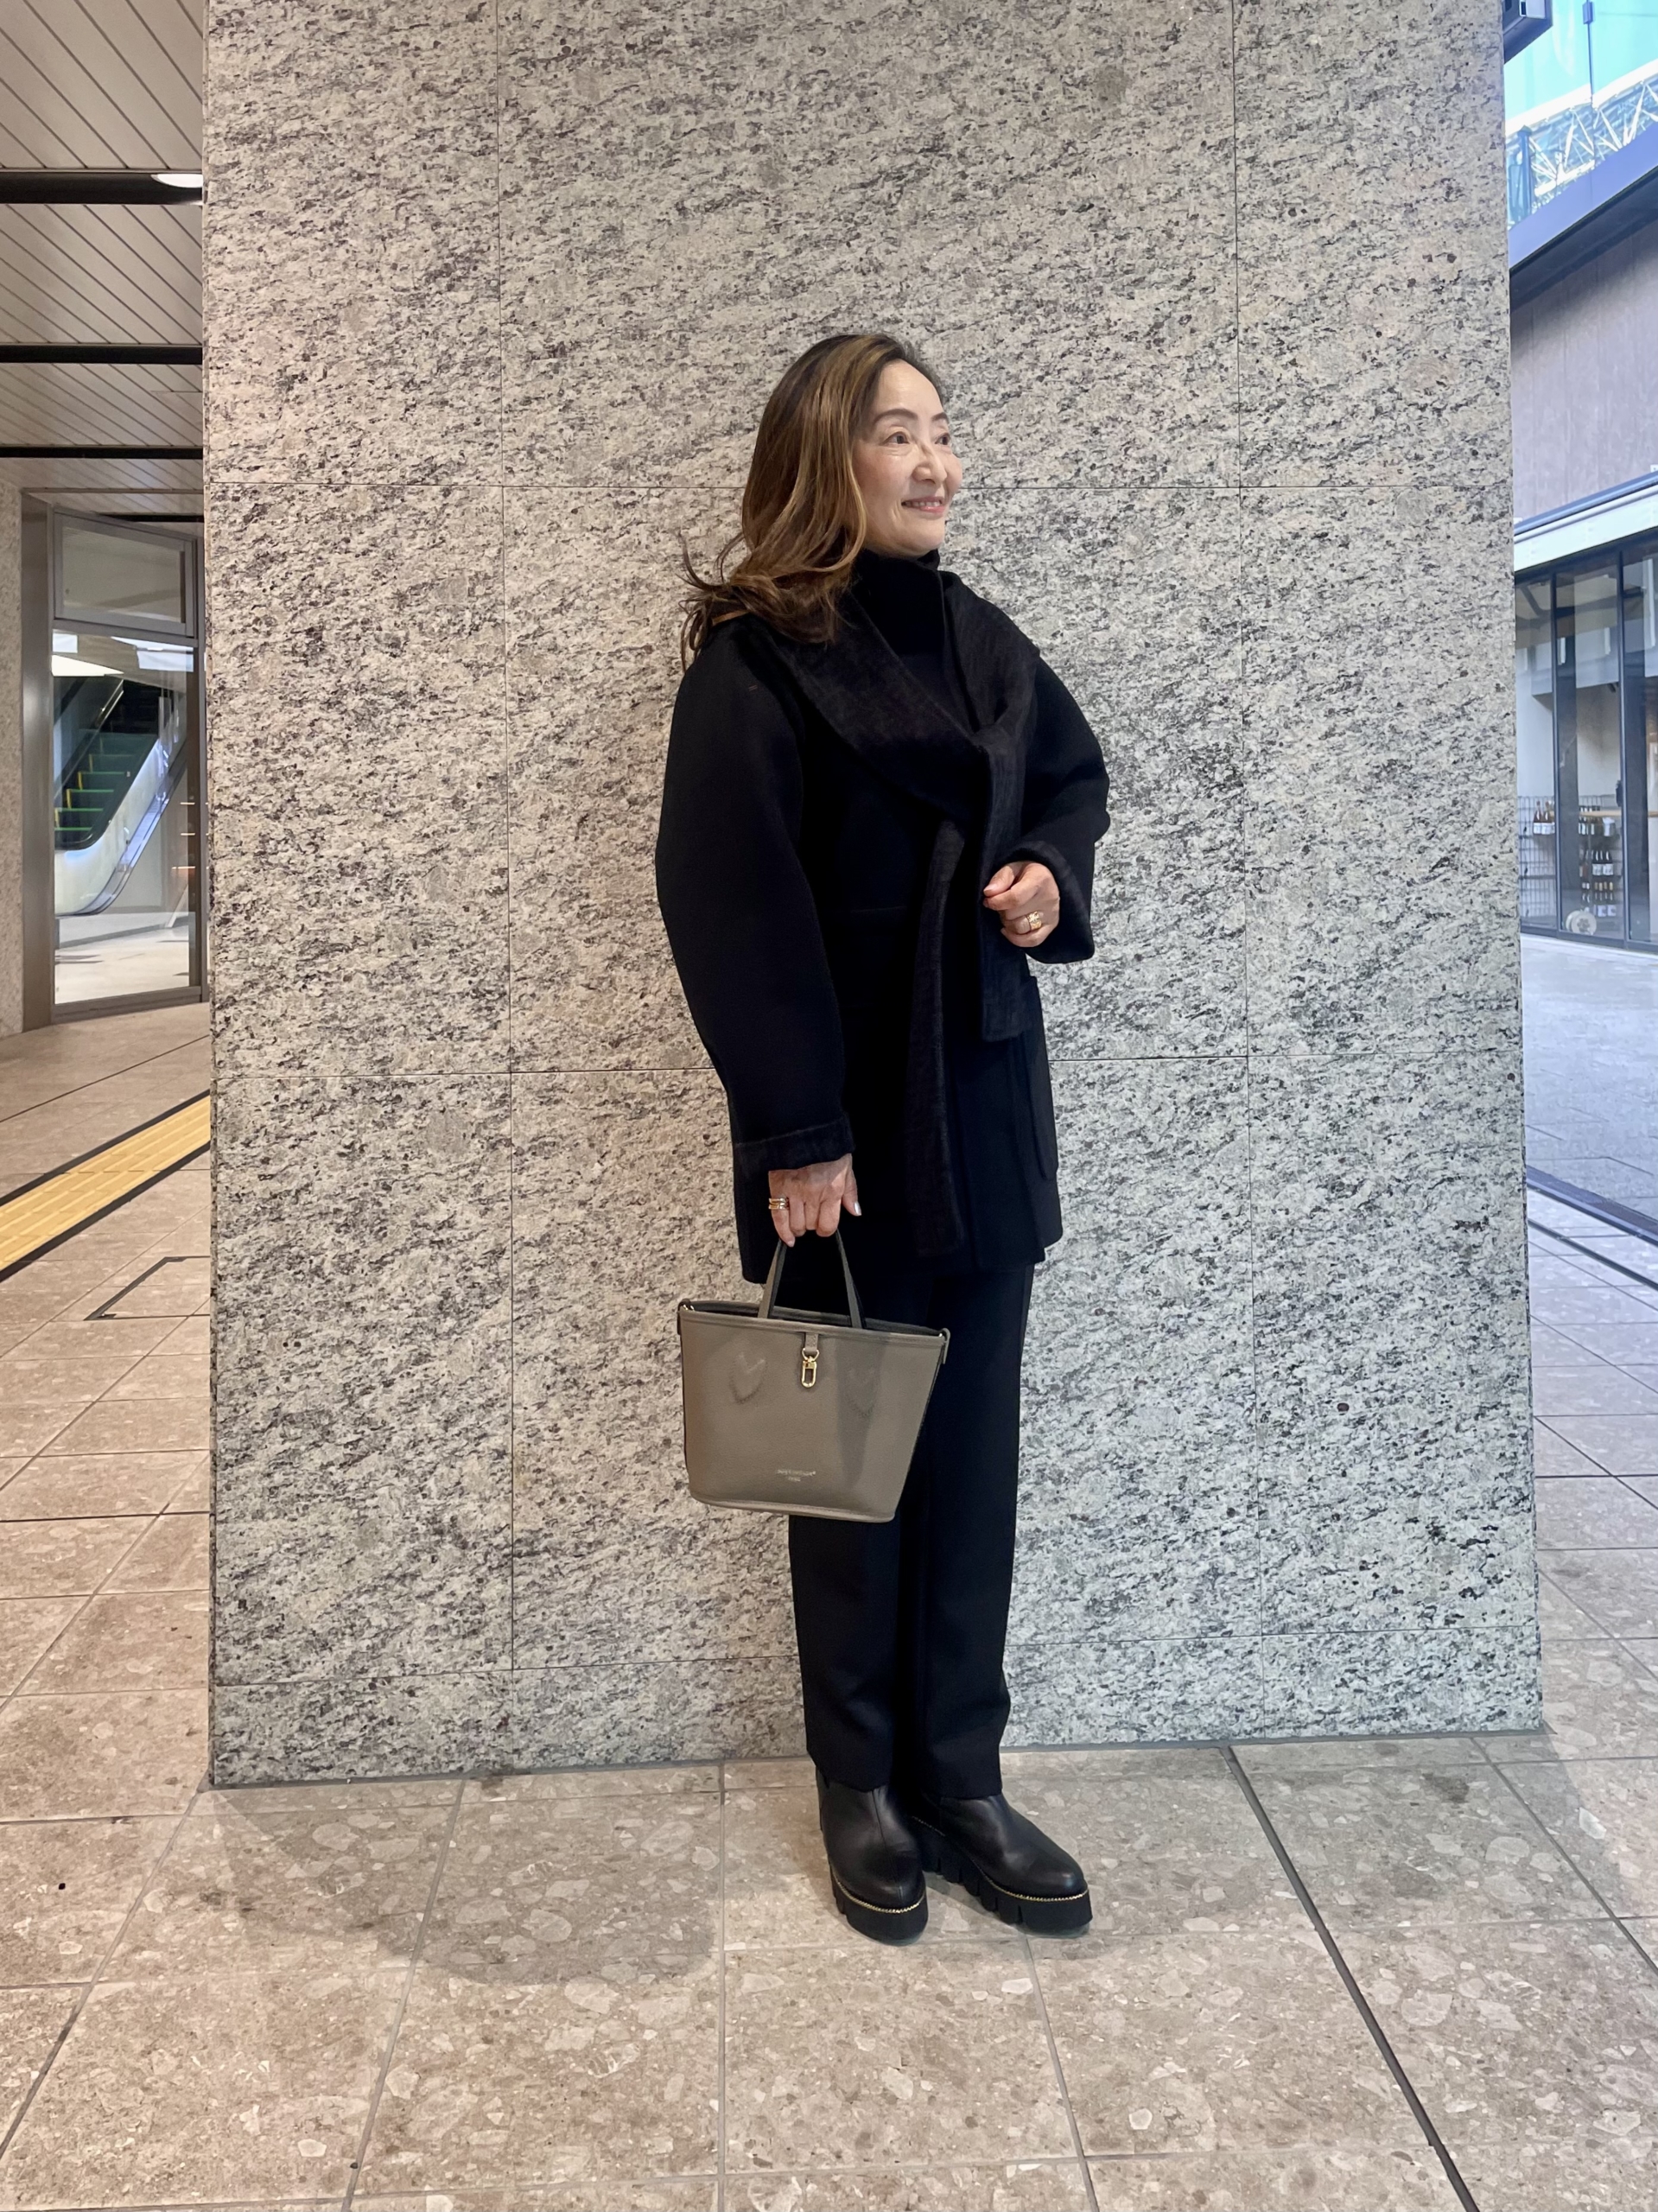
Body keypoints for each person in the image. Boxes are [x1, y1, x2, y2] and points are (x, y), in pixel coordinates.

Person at [656, 333, 1109, 1943]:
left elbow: (1071, 779)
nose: (937, 462)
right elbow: (728, 899)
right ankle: (858, 1782)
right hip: (840, 1128)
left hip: (982, 1104)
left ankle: (960, 1779)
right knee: (851, 1469)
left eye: (943, 430)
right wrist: (796, 1128)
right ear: (825, 458)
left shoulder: (982, 638)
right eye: (899, 433)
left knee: (972, 1466)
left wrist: (1048, 875)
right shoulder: (758, 660)